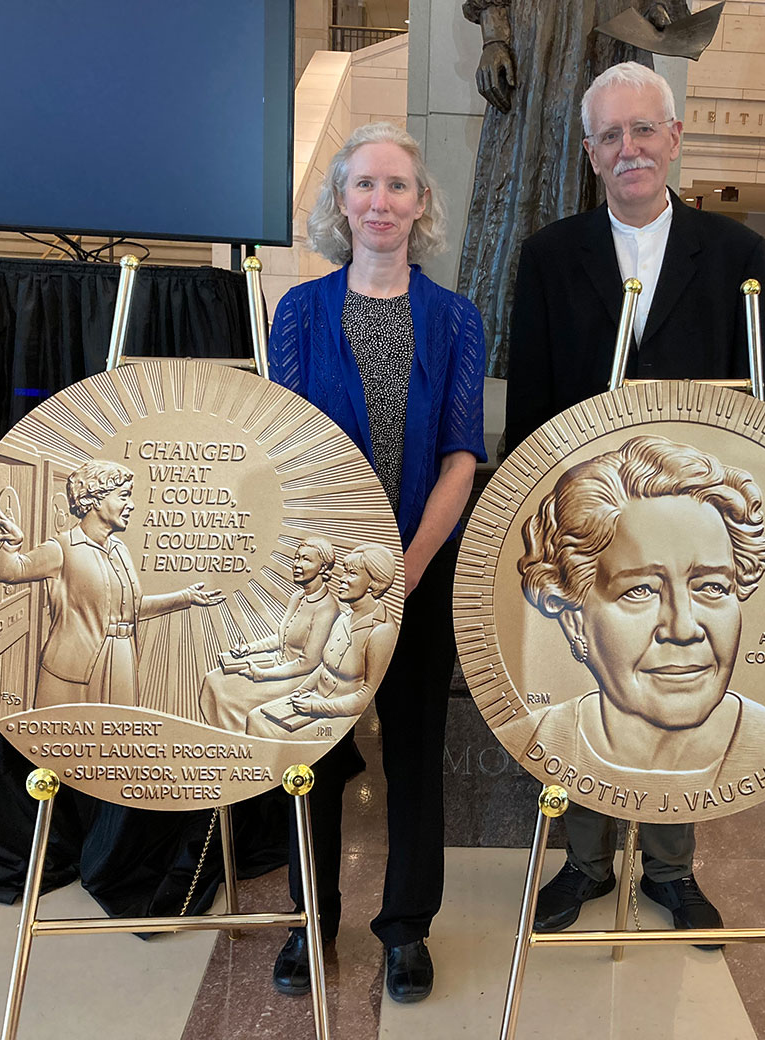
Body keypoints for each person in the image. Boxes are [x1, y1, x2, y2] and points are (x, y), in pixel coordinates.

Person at [504, 61, 765, 945]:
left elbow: (757, 407)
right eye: (611, 136)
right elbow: (535, 398)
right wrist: (526, 520)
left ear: (674, 138)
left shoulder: (735, 254)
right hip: (591, 523)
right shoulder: (549, 256)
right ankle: (583, 862)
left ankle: (672, 870)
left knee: (675, 683)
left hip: (686, 517)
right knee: (586, 680)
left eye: (644, 130)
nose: (630, 149)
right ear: (591, 153)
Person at [265, 122, 486, 1003]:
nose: (381, 203)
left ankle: (405, 930)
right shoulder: (300, 313)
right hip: (319, 581)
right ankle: (309, 919)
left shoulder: (456, 317)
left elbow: (461, 457)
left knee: (417, 758)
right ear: (341, 203)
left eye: (399, 187)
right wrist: (341, 569)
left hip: (419, 574)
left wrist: (407, 564)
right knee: (311, 752)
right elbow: (283, 454)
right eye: (364, 186)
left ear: (420, 204)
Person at [499, 434, 765, 787]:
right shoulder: (537, 738)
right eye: (640, 590)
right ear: (573, 618)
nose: (683, 628)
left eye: (712, 587)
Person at [460, 0, 690, 377]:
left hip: (613, 37)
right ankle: (538, 380)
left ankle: (611, 364)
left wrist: (657, 11)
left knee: (615, 177)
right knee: (532, 185)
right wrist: (494, 38)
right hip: (537, 48)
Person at [0, 461, 224, 710]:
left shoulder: (120, 550)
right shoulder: (62, 548)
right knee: (63, 738)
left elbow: (133, 608)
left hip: (122, 660)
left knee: (118, 741)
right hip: (72, 668)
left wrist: (186, 597)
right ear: (95, 499)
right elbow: (10, 572)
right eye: (123, 496)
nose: (131, 505)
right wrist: (13, 544)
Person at [244, 544, 398, 738]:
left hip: (337, 715)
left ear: (373, 583)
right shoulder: (344, 617)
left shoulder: (383, 630)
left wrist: (317, 707)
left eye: (352, 574)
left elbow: (366, 695)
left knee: (262, 726)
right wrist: (301, 691)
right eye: (344, 572)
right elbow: (323, 667)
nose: (342, 579)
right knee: (256, 717)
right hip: (313, 700)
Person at [198, 536, 339, 732]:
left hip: (296, 679)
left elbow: (308, 664)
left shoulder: (327, 608)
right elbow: (283, 638)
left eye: (306, 559)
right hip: (277, 666)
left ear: (323, 568)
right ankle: (225, 740)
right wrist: (249, 648)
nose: (297, 565)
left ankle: (241, 743)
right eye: (296, 558)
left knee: (229, 696)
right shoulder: (298, 597)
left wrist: (263, 674)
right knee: (213, 679)